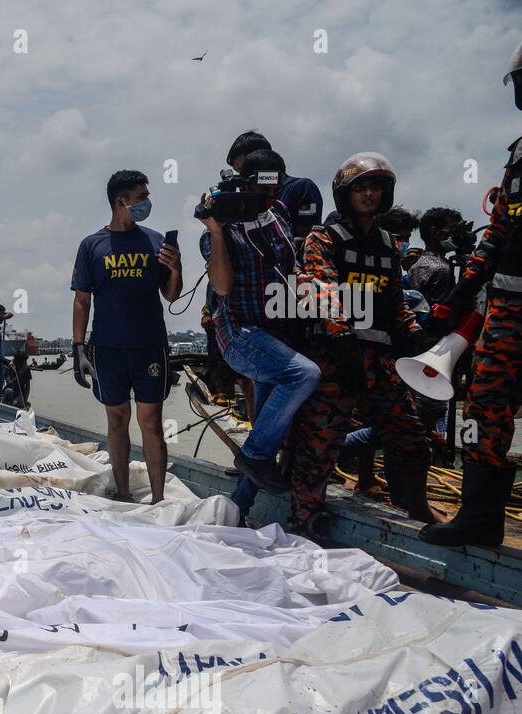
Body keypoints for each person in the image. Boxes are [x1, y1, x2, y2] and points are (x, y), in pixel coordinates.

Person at [288, 152, 441, 534]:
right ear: (345, 194)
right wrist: (342, 341)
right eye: (360, 188)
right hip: (335, 357)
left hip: (380, 360)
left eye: (376, 187)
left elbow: (394, 302)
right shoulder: (324, 238)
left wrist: (419, 337)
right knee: (319, 445)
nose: (369, 194)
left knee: (412, 438)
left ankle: (420, 510)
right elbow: (322, 290)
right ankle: (303, 520)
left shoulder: (389, 244)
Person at [421, 42, 522, 547]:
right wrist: (466, 287)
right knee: (484, 406)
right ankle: (480, 519)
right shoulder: (519, 154)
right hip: (507, 311)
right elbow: (500, 228)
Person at [199, 148, 321, 520]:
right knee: (304, 373)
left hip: (277, 331)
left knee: (268, 426)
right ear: (243, 185)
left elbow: (291, 264)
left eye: (275, 187)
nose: (268, 197)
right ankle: (250, 456)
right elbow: (221, 287)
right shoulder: (223, 225)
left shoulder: (280, 214)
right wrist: (216, 231)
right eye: (260, 188)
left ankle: (237, 510)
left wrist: (305, 281)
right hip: (240, 333)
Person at [70, 169, 183, 503]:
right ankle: (123, 493)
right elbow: (82, 299)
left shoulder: (155, 240)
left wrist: (176, 268)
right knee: (117, 420)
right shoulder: (92, 245)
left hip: (150, 347)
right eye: (142, 196)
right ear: (121, 202)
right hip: (108, 349)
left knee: (151, 422)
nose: (147, 202)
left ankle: (159, 499)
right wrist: (78, 348)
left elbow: (172, 295)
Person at [226, 131, 324, 251]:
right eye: (238, 172)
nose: (241, 177)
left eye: (243, 169)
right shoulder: (245, 197)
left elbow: (309, 241)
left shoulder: (302, 189)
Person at [407, 207, 467, 303]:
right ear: (434, 232)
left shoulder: (417, 264)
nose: (456, 236)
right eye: (452, 230)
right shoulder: (440, 269)